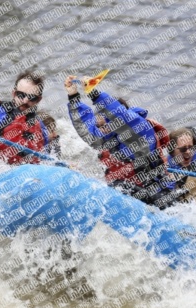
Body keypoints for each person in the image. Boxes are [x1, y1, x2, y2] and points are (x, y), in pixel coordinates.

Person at [64, 75, 173, 208]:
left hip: (156, 196)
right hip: (127, 195)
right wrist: (74, 98)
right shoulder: (109, 138)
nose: (100, 122)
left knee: (118, 186)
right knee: (115, 186)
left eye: (105, 117)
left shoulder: (141, 131)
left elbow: (123, 119)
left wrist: (93, 93)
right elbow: (87, 132)